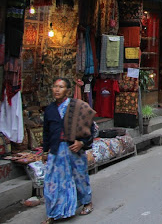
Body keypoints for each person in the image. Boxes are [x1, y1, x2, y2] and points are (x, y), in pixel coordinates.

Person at [42, 78, 95, 223]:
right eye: (55, 86)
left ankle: (87, 202)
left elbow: (91, 129)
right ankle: (54, 212)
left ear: (68, 90)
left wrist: (82, 143)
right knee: (53, 182)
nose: (57, 89)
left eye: (61, 87)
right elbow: (46, 132)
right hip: (56, 150)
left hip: (74, 149)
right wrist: (45, 151)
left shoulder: (78, 107)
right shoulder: (50, 110)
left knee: (79, 177)